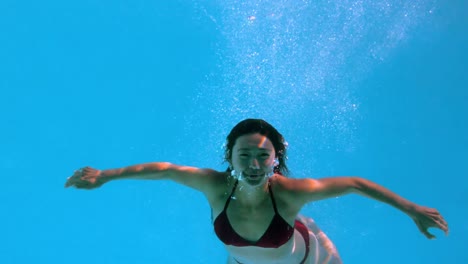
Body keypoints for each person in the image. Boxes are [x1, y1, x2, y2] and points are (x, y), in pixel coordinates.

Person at [65, 118, 448, 264]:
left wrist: (412, 208)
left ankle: (311, 228)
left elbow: (354, 184)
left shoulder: (289, 193)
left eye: (262, 157)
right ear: (228, 156)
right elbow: (165, 170)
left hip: (310, 261)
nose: (252, 165)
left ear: (275, 160)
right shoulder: (214, 186)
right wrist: (106, 175)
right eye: (243, 155)